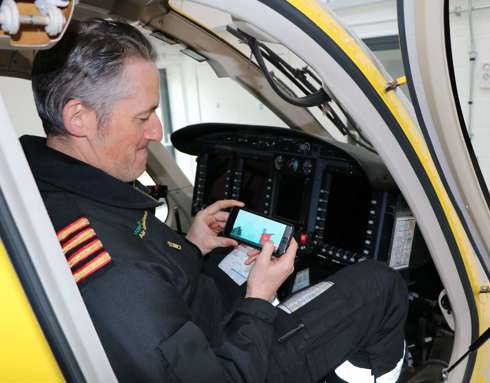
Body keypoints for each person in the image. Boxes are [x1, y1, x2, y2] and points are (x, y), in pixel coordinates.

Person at [22, 19, 408, 383]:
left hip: (189, 320)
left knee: (239, 254)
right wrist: (260, 297)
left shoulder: (46, 190)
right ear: (79, 118)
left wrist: (190, 246)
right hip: (228, 361)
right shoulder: (115, 274)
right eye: (144, 117)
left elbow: (148, 268)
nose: (157, 132)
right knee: (379, 283)